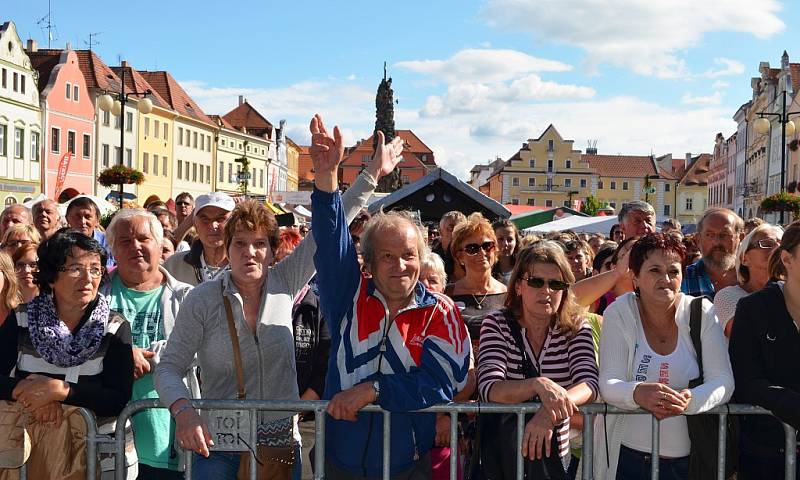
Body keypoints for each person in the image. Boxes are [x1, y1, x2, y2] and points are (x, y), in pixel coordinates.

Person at [156, 114, 386, 479]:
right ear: (227, 248)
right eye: (241, 244)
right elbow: (169, 367)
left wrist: (370, 175)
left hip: (278, 443)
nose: (250, 253)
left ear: (271, 249)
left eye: (259, 244)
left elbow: (331, 225)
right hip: (218, 441)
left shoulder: (285, 280)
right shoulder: (202, 299)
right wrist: (184, 410)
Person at [311, 115, 470, 479]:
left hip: (406, 466)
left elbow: (441, 382)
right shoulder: (348, 296)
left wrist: (373, 391)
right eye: (387, 255)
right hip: (338, 461)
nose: (400, 265)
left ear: (423, 256)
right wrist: (326, 179)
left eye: (408, 255)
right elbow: (332, 238)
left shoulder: (439, 311)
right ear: (368, 261)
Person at [597, 233, 734, 479]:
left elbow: (723, 381)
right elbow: (608, 382)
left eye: (674, 271)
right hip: (628, 461)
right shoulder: (619, 312)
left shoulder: (702, 311)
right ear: (635, 277)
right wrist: (637, 393)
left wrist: (690, 399)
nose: (666, 279)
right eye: (655, 270)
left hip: (689, 463)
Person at [0, 232, 134, 478]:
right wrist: (31, 394)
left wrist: (61, 392)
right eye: (75, 269)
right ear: (51, 276)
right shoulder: (22, 319)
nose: (87, 278)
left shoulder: (114, 327)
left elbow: (117, 397)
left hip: (99, 459)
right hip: (29, 455)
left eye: (95, 269)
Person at [477, 241, 598, 478]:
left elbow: (589, 384)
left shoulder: (575, 327)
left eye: (556, 284)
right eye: (536, 282)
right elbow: (489, 387)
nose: (547, 291)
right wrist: (537, 385)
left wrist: (547, 412)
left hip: (555, 454)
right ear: (519, 286)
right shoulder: (497, 323)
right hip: (503, 455)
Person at [102, 209, 196, 479]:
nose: (135, 247)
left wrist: (146, 358)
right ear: (113, 249)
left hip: (164, 437)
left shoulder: (186, 298)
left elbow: (195, 350)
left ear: (159, 244)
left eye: (144, 239)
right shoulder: (96, 293)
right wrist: (122, 353)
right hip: (108, 437)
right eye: (125, 241)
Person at [729, 222, 800, 479]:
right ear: (786, 259)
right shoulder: (753, 309)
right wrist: (792, 404)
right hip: (766, 455)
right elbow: (747, 380)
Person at [446, 213, 507, 342]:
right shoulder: (448, 294)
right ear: (460, 257)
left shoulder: (509, 294)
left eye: (487, 246)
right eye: (472, 248)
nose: (482, 253)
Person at [713, 223, 783, 337]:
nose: (777, 249)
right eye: (768, 243)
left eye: (782, 245)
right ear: (744, 258)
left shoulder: (791, 291)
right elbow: (749, 337)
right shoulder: (728, 296)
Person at [163, 192, 235, 286]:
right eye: (205, 219)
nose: (213, 225)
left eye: (221, 219)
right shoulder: (174, 266)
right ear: (195, 224)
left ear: (233, 223)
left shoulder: (245, 266)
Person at [681, 208, 742, 300]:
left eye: (724, 234)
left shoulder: (752, 278)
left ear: (740, 238)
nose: (717, 242)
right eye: (709, 235)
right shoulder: (682, 279)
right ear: (698, 240)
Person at [66, 196, 115, 268]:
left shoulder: (109, 242)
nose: (83, 222)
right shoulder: (60, 244)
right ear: (67, 219)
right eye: (77, 217)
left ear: (97, 220)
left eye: (87, 217)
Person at [432, 210, 467, 281]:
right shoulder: (432, 259)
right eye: (451, 228)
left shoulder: (471, 255)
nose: (456, 233)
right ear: (440, 232)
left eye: (461, 229)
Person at [492, 219, 522, 284]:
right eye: (500, 239)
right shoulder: (485, 268)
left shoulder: (523, 268)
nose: (505, 243)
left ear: (516, 242)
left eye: (510, 239)